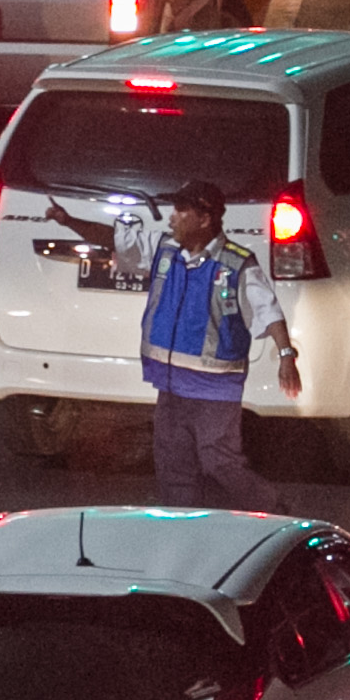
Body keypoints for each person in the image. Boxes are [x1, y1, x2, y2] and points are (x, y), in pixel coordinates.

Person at [45, 178, 299, 510]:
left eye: (181, 211)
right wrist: (68, 221)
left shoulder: (236, 264)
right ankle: (182, 527)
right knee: (172, 465)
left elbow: (268, 310)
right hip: (171, 381)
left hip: (214, 387)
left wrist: (286, 356)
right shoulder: (165, 249)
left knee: (219, 462)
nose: (171, 217)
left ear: (204, 218)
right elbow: (116, 240)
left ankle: (274, 511)